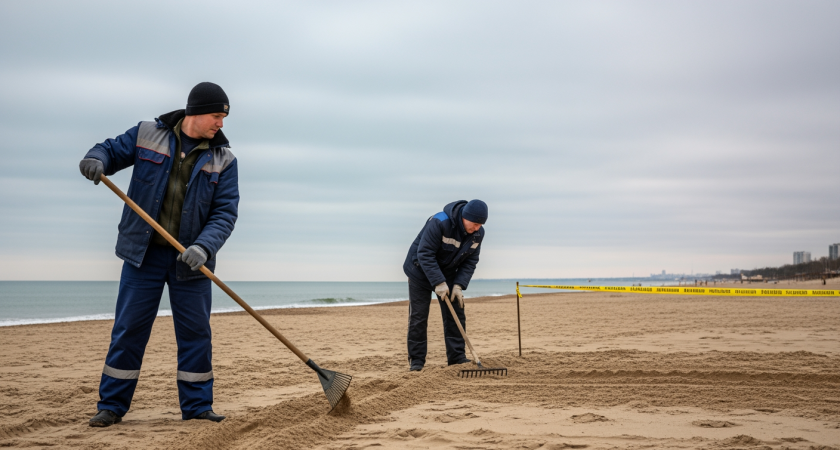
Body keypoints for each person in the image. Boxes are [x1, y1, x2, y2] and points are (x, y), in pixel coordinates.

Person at [78, 82, 238, 427]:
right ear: (195, 111)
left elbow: (225, 213)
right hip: (142, 256)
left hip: (191, 262)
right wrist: (96, 159)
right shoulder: (146, 134)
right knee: (129, 330)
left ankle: (197, 407)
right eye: (217, 115)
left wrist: (203, 247)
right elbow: (109, 150)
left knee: (196, 335)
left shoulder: (224, 159)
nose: (221, 124)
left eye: (224, 117)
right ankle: (111, 406)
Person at [402, 200, 487, 372]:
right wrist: (438, 282)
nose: (477, 228)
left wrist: (458, 285)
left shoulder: (478, 234)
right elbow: (425, 253)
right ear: (465, 217)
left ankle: (457, 358)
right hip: (419, 269)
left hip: (447, 272)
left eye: (481, 225)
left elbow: (470, 261)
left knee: (456, 311)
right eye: (475, 224)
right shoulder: (440, 222)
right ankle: (417, 362)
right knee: (419, 316)